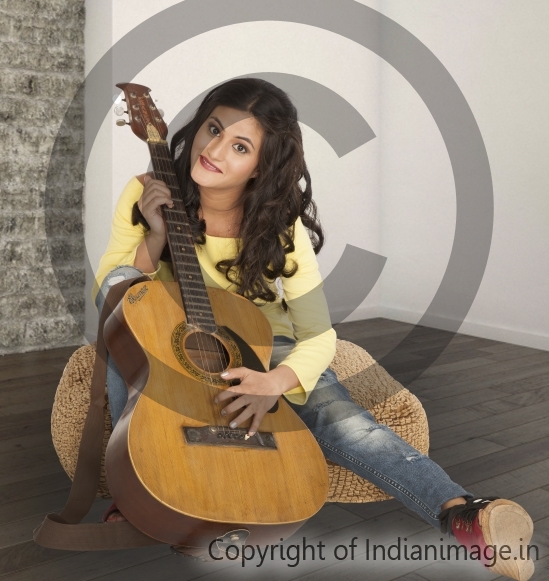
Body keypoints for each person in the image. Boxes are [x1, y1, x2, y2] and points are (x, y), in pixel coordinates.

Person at [93, 77, 534, 579]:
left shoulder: (280, 224)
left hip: (263, 344)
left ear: (261, 167)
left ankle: (462, 514)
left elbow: (320, 334)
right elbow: (114, 287)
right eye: (212, 128)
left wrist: (276, 383)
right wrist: (154, 235)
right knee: (121, 325)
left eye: (240, 146)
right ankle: (142, 486)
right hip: (171, 333)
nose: (214, 150)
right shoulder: (145, 191)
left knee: (346, 423)